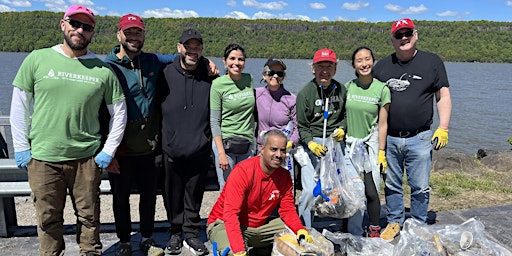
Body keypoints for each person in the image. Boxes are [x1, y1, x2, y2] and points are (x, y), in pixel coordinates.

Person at [9, 4, 127, 255]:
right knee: (48, 218)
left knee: (89, 217)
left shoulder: (103, 69)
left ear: (93, 33)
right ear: (63, 24)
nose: (80, 30)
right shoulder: (37, 58)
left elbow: (119, 113)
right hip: (43, 158)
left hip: (86, 158)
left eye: (87, 27)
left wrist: (108, 150)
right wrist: (21, 147)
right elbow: (19, 105)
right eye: (75, 23)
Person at [372, 18, 452, 241]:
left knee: (419, 186)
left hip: (421, 136)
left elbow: (442, 96)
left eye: (407, 33)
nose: (404, 38)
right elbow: (372, 100)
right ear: (392, 40)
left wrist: (443, 127)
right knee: (392, 185)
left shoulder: (432, 62)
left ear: (415, 35)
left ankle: (417, 224)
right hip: (390, 138)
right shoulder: (382, 66)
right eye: (399, 35)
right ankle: (394, 222)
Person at [103, 14, 172, 256]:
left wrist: (207, 63)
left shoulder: (152, 61)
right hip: (120, 150)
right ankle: (124, 242)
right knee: (120, 200)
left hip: (149, 149)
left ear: (143, 36)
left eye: (138, 32)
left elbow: (180, 58)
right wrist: (107, 152)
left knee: (148, 199)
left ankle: (147, 238)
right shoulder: (107, 67)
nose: (134, 37)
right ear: (119, 34)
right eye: (129, 32)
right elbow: (100, 114)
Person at [156, 28, 217, 256]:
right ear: (179, 47)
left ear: (202, 50)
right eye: (188, 46)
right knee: (172, 194)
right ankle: (175, 233)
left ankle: (191, 234)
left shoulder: (210, 76)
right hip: (171, 147)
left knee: (194, 194)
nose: (193, 51)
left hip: (199, 149)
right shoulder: (164, 73)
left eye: (197, 47)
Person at [207, 129, 313, 256]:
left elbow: (288, 210)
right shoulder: (243, 172)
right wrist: (239, 250)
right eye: (273, 149)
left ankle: (261, 250)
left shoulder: (284, 176)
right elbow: (230, 215)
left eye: (283, 150)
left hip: (258, 226)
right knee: (232, 252)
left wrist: (300, 229)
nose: (279, 154)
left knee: (299, 243)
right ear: (262, 149)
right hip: (224, 223)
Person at [296, 48, 347, 229]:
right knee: (310, 191)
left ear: (335, 68)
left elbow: (345, 116)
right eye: (320, 66)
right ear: (313, 68)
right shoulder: (305, 93)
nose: (324, 70)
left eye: (329, 66)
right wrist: (310, 143)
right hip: (313, 145)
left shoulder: (340, 89)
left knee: (345, 189)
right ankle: (304, 229)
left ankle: (346, 229)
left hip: (335, 144)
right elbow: (302, 125)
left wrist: (342, 128)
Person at [343, 46, 391, 237]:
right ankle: (350, 229)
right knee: (352, 191)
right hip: (349, 145)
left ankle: (374, 227)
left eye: (368, 59)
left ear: (373, 60)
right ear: (354, 65)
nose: (364, 64)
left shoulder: (382, 89)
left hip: (370, 145)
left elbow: (383, 123)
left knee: (371, 191)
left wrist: (381, 151)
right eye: (359, 60)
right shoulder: (347, 87)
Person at [210, 43, 255, 190]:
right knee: (228, 189)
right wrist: (221, 153)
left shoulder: (249, 79)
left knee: (246, 188)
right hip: (226, 144)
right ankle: (227, 214)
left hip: (247, 144)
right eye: (232, 58)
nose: (236, 63)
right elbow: (214, 121)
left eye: (240, 59)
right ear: (224, 61)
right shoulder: (218, 84)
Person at [255, 58, 298, 180]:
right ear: (264, 75)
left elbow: (298, 127)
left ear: (284, 76)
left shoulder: (291, 99)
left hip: (282, 153)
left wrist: (290, 144)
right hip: (261, 150)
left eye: (280, 73)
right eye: (271, 72)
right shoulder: (256, 94)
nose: (275, 76)